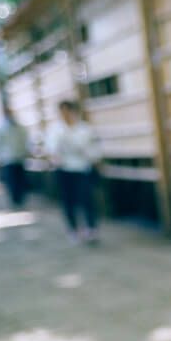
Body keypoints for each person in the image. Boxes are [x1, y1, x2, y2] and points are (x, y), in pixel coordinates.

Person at [46, 100, 101, 244]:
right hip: (64, 170)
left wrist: (93, 160)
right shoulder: (55, 130)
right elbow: (52, 150)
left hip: (82, 168)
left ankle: (91, 228)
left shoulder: (85, 129)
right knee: (68, 200)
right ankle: (73, 229)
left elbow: (94, 150)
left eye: (67, 110)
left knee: (87, 198)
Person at [0, 105, 29, 208]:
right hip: (8, 158)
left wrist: (25, 151)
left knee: (20, 180)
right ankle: (15, 199)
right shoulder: (1, 128)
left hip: (20, 157)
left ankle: (20, 198)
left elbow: (25, 140)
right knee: (12, 180)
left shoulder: (20, 127)